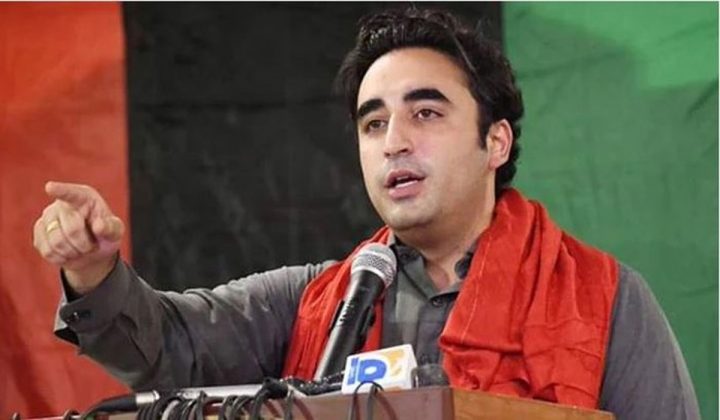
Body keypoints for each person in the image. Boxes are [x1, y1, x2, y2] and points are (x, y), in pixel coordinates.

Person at [34, 8, 699, 419]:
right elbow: (168, 347)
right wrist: (93, 272)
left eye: (426, 112)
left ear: (495, 142)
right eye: (373, 123)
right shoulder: (318, 302)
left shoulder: (605, 299)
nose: (394, 141)